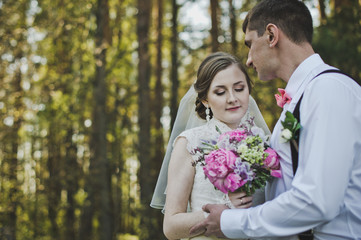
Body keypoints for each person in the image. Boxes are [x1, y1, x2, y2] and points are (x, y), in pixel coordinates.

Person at [189, 0, 361, 239]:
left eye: (250, 44)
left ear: (271, 35)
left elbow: (317, 201)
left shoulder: (329, 91)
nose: (248, 60)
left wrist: (231, 221)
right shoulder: (304, 96)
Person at [152, 52, 278, 240]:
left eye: (239, 88)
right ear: (205, 100)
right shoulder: (189, 143)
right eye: (220, 92)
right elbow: (171, 227)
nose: (232, 98)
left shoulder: (267, 144)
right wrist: (224, 213)